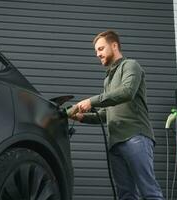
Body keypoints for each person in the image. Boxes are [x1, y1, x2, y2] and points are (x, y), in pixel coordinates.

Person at [68, 30, 164, 200]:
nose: (98, 54)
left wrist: (91, 101)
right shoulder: (108, 80)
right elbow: (107, 114)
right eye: (96, 51)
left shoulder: (130, 66)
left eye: (101, 48)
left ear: (114, 45)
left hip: (136, 137)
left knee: (149, 191)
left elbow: (127, 92)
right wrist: (82, 117)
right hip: (116, 144)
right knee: (125, 195)